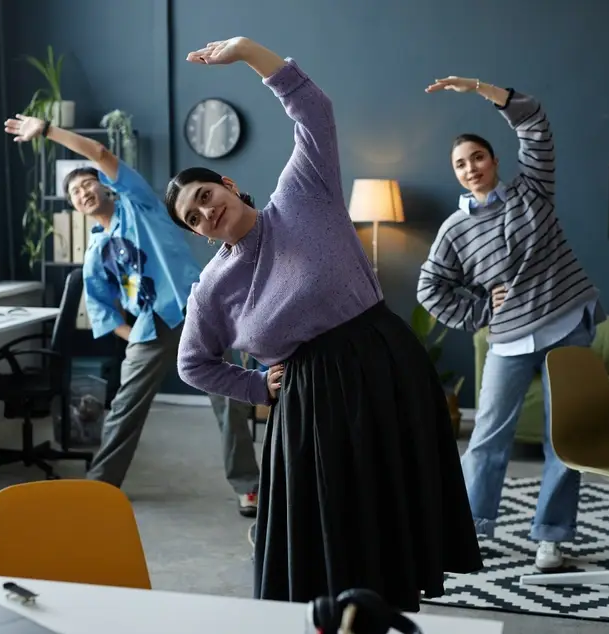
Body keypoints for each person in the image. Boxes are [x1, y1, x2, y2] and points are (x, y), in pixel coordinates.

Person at [164, 36, 482, 611]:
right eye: (194, 217)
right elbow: (193, 363)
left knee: (392, 505)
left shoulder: (302, 194)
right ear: (197, 233)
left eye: (206, 195)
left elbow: (314, 111)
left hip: (384, 362)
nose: (207, 211)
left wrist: (247, 52)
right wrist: (257, 386)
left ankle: (391, 609)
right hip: (310, 399)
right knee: (333, 523)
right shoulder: (213, 287)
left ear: (229, 186)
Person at [4, 114, 261, 516]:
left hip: (196, 310)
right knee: (125, 407)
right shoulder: (93, 255)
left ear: (104, 186)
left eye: (88, 183)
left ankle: (250, 487)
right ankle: (101, 488)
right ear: (74, 206)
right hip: (149, 327)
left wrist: (49, 131)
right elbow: (103, 311)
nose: (83, 191)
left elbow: (100, 152)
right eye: (74, 192)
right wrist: (136, 337)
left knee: (230, 400)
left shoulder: (138, 204)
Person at [418, 76, 605, 571]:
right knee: (486, 440)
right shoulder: (455, 229)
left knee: (564, 438)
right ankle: (471, 529)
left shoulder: (533, 190)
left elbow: (537, 125)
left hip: (568, 324)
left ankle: (552, 537)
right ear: (456, 174)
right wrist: (482, 311)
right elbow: (430, 288)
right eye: (460, 164)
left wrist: (481, 88)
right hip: (508, 339)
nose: (470, 168)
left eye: (477, 157)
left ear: (494, 160)